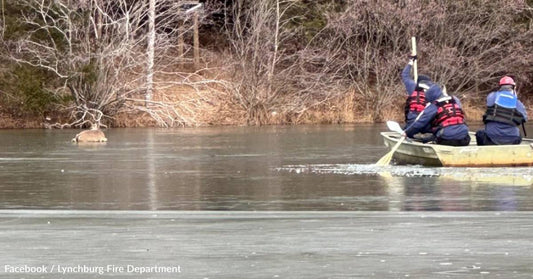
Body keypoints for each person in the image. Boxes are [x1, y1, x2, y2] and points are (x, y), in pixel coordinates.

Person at [402, 84, 471, 146]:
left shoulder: (434, 106)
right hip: (464, 139)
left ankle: (431, 138)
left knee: (431, 130)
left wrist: (407, 133)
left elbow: (420, 123)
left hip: (447, 140)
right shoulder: (455, 100)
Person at [476, 76, 527, 145]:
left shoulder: (492, 96)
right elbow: (524, 118)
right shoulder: (518, 103)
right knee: (518, 134)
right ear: (513, 87)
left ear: (500, 86)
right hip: (512, 139)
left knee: (479, 133)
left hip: (491, 139)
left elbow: (489, 105)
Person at [401, 56, 435, 131]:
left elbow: (405, 75)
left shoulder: (412, 86)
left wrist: (410, 63)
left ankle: (408, 131)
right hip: (425, 122)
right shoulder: (433, 90)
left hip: (412, 121)